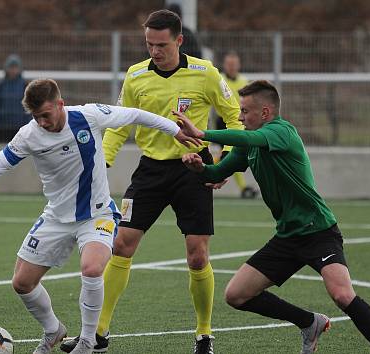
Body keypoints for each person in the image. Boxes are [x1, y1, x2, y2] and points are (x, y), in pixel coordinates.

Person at [0, 79, 199, 354]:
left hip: (97, 214)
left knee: (92, 268)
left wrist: (174, 130)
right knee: (22, 282)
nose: (42, 122)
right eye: (36, 117)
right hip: (56, 216)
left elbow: (135, 114)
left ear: (60, 104)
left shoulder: (88, 115)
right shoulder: (28, 135)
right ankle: (52, 329)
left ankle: (87, 342)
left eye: (45, 115)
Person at [61, 9, 243, 354]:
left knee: (197, 256)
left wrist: (225, 163)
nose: (154, 51)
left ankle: (204, 333)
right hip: (150, 170)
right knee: (121, 245)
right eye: (149, 44)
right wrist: (102, 162)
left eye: (161, 44)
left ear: (179, 40)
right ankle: (99, 332)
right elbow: (117, 124)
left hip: (194, 168)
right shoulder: (135, 76)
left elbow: (234, 115)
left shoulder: (205, 74)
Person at [178, 80, 370, 353]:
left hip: (318, 230)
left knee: (343, 294)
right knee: (236, 295)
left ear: (265, 113)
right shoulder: (248, 144)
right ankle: (309, 322)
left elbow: (252, 138)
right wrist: (200, 167)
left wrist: (202, 133)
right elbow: (218, 173)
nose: (239, 116)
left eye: (245, 111)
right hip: (287, 236)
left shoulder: (282, 132)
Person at [213, 51, 257, 199]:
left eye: (234, 64)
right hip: (222, 122)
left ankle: (206, 174)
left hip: (239, 122)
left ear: (238, 65)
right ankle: (242, 187)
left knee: (233, 154)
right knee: (231, 154)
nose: (231, 67)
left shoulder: (244, 82)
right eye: (229, 64)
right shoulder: (219, 80)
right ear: (225, 65)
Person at [0, 54, 31, 143]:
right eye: (11, 67)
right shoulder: (1, 85)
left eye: (15, 67)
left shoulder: (24, 86)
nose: (13, 70)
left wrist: (26, 125)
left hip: (20, 127)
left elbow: (29, 107)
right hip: (3, 127)